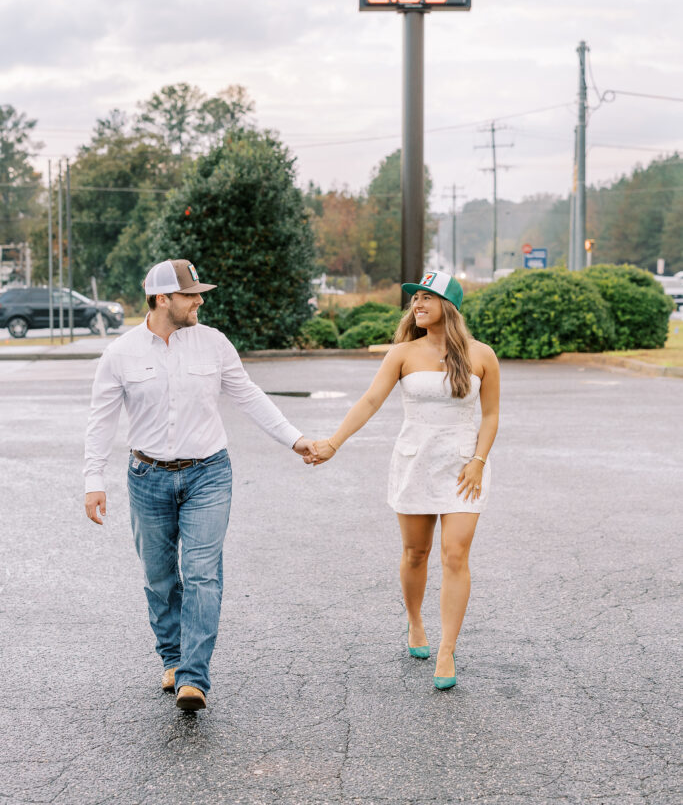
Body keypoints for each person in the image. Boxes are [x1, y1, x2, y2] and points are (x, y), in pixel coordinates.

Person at [84, 259, 316, 711]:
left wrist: (295, 439)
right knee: (159, 577)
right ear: (162, 299)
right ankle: (172, 658)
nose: (199, 302)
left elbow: (248, 395)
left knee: (202, 573)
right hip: (147, 476)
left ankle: (193, 676)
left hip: (208, 473)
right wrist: (94, 480)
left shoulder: (214, 343)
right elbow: (101, 420)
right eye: (190, 295)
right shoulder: (120, 353)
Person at [311, 269, 500, 690]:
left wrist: (479, 461)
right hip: (415, 462)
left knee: (455, 555)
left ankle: (447, 649)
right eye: (415, 298)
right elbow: (370, 401)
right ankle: (415, 622)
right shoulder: (402, 353)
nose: (417, 304)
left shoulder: (482, 355)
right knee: (416, 552)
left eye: (426, 297)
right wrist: (334, 443)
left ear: (448, 306)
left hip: (463, 468)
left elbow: (490, 415)